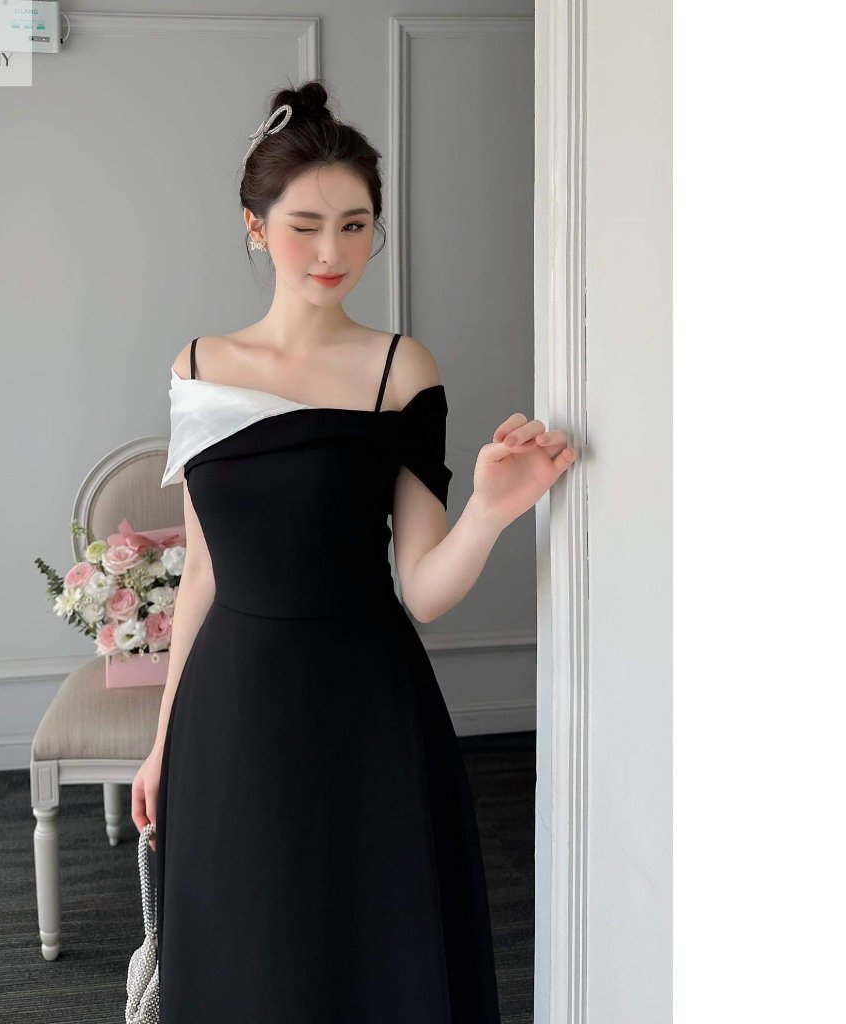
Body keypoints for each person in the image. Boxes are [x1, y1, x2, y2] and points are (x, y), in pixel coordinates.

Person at [131, 79, 577, 1023]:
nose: (332, 253)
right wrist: (164, 743)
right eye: (305, 226)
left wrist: (491, 510)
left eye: (355, 225)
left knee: (368, 959)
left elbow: (424, 589)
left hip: (366, 707)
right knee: (247, 957)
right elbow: (204, 573)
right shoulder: (198, 368)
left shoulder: (400, 368)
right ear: (255, 227)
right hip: (231, 710)